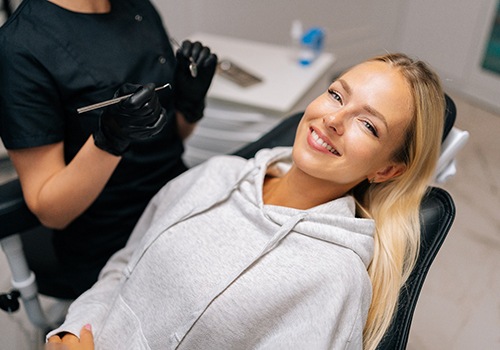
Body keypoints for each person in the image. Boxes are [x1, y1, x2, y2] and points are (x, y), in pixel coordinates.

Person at [46, 53, 445, 350]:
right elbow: (124, 267)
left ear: (387, 171)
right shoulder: (217, 174)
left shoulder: (334, 278)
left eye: (368, 124)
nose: (334, 120)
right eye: (337, 95)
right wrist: (71, 329)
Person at [0, 0, 217, 297]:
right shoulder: (22, 47)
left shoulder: (137, 8)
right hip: (112, 241)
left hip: (179, 202)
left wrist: (190, 101)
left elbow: (172, 138)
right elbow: (50, 211)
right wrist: (109, 139)